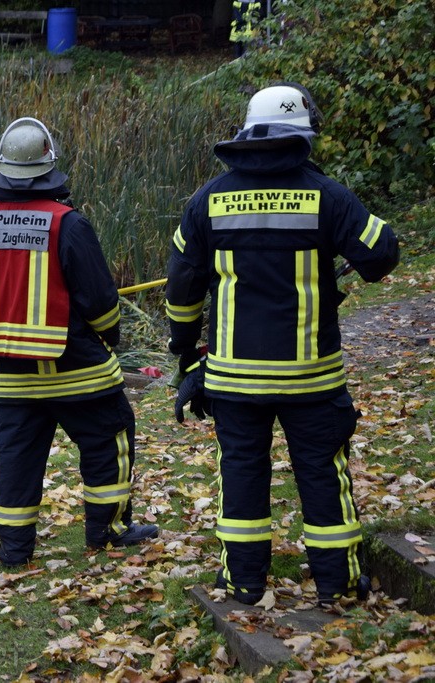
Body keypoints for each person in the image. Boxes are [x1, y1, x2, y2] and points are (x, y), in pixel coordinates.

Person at [167, 83, 399, 607]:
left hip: (233, 379)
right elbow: (381, 254)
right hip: (312, 378)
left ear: (247, 134)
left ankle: (244, 582)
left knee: (242, 471)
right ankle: (337, 584)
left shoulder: (207, 199)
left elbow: (182, 286)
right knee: (321, 470)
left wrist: (185, 352)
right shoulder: (328, 196)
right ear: (303, 138)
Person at [0, 117, 159, 567]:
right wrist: (110, 337)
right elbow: (99, 301)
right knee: (109, 436)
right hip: (77, 371)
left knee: (16, 458)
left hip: (9, 377)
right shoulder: (68, 224)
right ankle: (106, 531)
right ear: (48, 164)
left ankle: (14, 550)